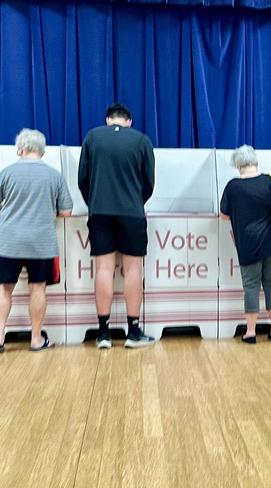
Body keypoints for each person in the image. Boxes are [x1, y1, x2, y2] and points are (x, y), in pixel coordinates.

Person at [78, 103, 155, 349]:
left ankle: (103, 333)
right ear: (129, 122)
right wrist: (134, 201)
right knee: (133, 270)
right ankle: (133, 332)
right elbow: (149, 182)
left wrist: (95, 202)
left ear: (107, 119)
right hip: (131, 212)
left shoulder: (92, 137)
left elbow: (83, 178)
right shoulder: (142, 141)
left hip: (100, 210)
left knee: (104, 268)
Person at [0, 129, 73, 352]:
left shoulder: (6, 173)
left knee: (4, 289)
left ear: (20, 149)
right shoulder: (54, 175)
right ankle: (36, 339)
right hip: (41, 242)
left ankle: (0, 338)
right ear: (42, 150)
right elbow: (66, 212)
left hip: (8, 241)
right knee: (38, 288)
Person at [220, 145, 271, 344]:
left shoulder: (233, 187)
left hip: (248, 242)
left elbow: (224, 215)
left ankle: (251, 332)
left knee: (251, 286)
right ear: (255, 161)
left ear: (238, 165)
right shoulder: (269, 181)